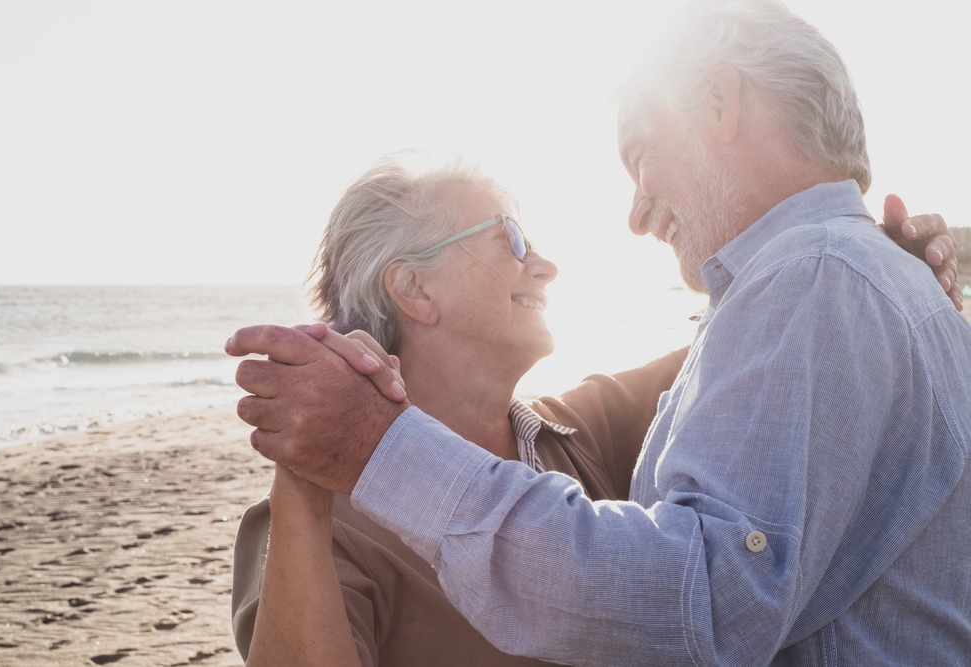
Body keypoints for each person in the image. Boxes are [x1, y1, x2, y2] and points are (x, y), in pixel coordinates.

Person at [227, 2, 971, 662]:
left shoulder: (813, 284)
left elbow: (708, 597)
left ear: (720, 103)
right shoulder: (815, 290)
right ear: (414, 287)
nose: (636, 211)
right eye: (511, 241)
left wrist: (380, 448)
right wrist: (324, 456)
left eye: (641, 153)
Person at [229, 153, 689, 666]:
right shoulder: (322, 522)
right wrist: (304, 476)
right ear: (415, 288)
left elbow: (739, 338)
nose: (546, 266)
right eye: (512, 240)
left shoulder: (581, 433)